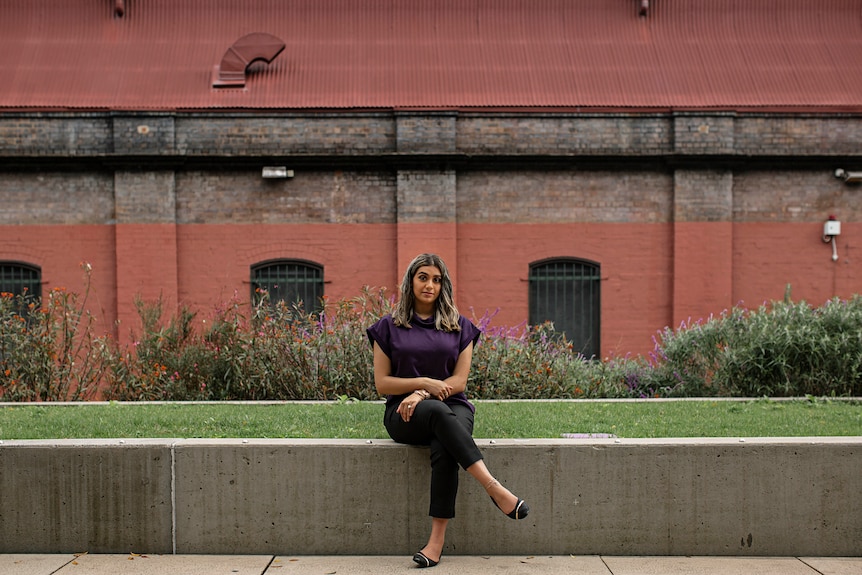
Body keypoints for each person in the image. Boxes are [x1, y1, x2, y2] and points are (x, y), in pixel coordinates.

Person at [366, 253, 529, 569]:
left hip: (453, 404)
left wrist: (423, 391)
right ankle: (493, 488)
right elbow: (382, 383)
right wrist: (422, 385)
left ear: (444, 286)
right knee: (440, 415)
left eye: (437, 279)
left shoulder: (460, 326)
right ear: (410, 282)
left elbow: (458, 381)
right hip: (403, 413)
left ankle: (435, 543)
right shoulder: (388, 327)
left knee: (445, 439)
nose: (430, 285)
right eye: (423, 277)